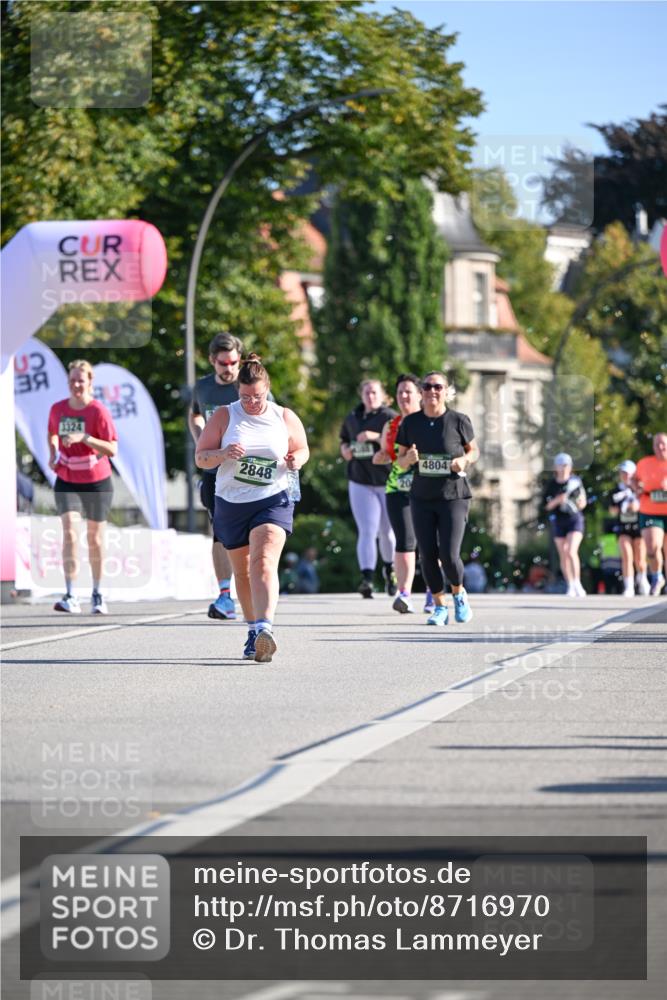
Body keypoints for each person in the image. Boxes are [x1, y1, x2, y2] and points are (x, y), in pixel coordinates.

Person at [195, 355, 309, 662]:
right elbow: (201, 457)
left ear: (267, 389)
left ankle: (265, 629)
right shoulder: (223, 416)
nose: (252, 402)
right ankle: (251, 629)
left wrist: (296, 459)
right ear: (237, 391)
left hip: (273, 498)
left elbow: (302, 447)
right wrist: (222, 452)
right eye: (245, 396)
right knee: (242, 572)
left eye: (257, 396)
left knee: (263, 560)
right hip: (231, 502)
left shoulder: (283, 416)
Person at [395, 371, 479, 625]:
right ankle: (440, 606)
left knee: (450, 554)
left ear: (446, 391)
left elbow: (473, 451)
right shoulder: (410, 423)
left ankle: (458, 592)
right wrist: (407, 460)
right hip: (421, 497)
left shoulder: (458, 420)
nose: (433, 391)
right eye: (428, 387)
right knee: (427, 555)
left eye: (438, 387)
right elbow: (399, 460)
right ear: (421, 392)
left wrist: (463, 460)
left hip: (454, 495)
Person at [47, 359, 118, 614]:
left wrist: (85, 438)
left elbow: (112, 448)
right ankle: (70, 594)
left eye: (81, 380)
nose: (76, 385)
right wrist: (53, 452)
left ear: (90, 382)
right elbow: (52, 433)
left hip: (97, 481)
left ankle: (97, 593)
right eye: (72, 381)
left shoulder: (98, 411)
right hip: (67, 479)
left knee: (95, 539)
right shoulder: (58, 409)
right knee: (69, 533)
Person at [189, 332, 244, 620]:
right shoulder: (203, 387)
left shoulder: (248, 386)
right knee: (219, 530)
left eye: (234, 362)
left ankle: (252, 590)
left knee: (248, 533)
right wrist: (201, 440)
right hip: (214, 469)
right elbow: (195, 414)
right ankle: (225, 596)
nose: (229, 368)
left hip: (245, 472)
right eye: (223, 363)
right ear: (212, 361)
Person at [372, 373, 426, 614]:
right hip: (397, 487)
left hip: (427, 488)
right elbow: (386, 452)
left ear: (419, 395)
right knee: (404, 541)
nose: (404, 396)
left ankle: (433, 593)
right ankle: (404, 594)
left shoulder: (429, 422)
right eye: (400, 392)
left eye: (409, 391)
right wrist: (381, 456)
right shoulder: (391, 425)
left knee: (430, 544)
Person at [340, 379, 397, 598]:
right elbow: (344, 439)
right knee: (367, 530)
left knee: (387, 531)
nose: (370, 396)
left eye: (374, 392)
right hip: (360, 479)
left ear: (383, 395)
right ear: (361, 395)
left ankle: (390, 570)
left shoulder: (389, 417)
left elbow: (398, 443)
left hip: (387, 480)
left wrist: (375, 436)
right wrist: (344, 449)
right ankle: (367, 579)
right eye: (366, 392)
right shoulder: (352, 417)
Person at [543, 453, 587, 597]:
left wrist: (581, 503)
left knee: (571, 550)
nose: (563, 469)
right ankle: (570, 585)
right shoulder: (552, 485)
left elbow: (583, 501)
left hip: (574, 519)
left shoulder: (576, 482)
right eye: (560, 465)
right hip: (558, 521)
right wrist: (558, 500)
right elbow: (546, 506)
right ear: (555, 467)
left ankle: (577, 583)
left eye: (566, 465)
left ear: (570, 467)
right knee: (563, 553)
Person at [607, 460, 649, 597]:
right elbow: (611, 510)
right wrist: (623, 508)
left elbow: (647, 505)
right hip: (623, 526)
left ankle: (642, 579)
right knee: (626, 556)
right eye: (622, 473)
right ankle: (629, 586)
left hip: (638, 526)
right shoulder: (616, 491)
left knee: (640, 558)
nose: (624, 476)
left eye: (627, 473)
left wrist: (636, 507)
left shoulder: (640, 489)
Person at [633, 432, 667, 595]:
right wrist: (636, 487)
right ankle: (657, 576)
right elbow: (633, 479)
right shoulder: (644, 463)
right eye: (657, 444)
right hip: (650, 511)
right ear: (653, 447)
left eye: (663, 444)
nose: (660, 447)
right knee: (652, 548)